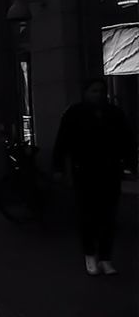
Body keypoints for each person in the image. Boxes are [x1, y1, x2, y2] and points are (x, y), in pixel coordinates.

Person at [52, 77, 137, 276]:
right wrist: (59, 168)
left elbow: (127, 139)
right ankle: (90, 254)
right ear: (85, 92)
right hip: (85, 172)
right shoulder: (74, 114)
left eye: (101, 91)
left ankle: (106, 258)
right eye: (94, 91)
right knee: (87, 215)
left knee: (108, 216)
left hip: (110, 171)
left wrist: (130, 163)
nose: (98, 95)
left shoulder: (114, 113)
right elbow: (62, 141)